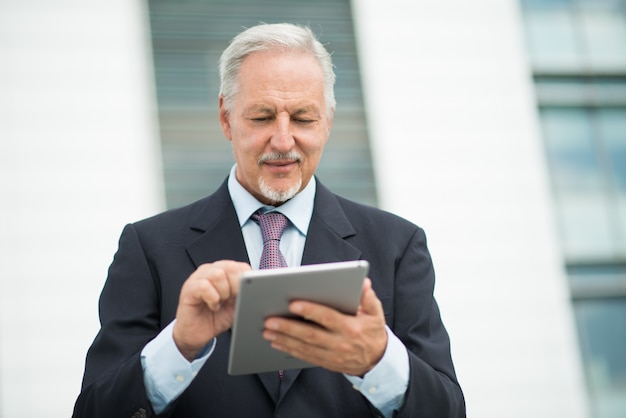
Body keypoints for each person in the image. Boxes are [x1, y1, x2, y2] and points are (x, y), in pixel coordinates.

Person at [72, 22, 465, 418]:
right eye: (261, 117)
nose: (282, 141)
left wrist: (379, 360)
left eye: (303, 118)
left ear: (327, 121)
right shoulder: (148, 248)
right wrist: (176, 348)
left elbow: (449, 411)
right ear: (226, 118)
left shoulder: (398, 246)